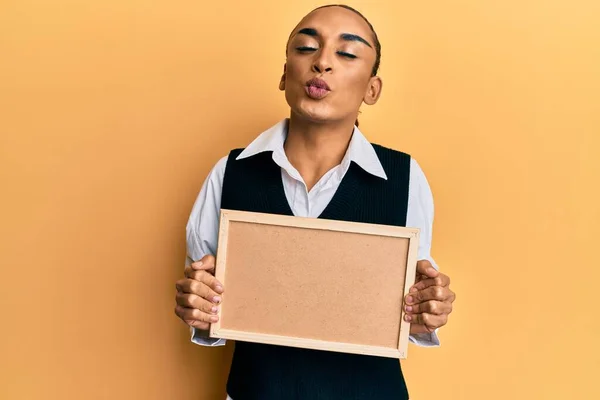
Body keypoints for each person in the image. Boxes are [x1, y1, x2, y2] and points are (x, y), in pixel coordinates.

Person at [175, 4, 456, 399]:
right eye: (306, 47)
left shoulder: (404, 178)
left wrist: (428, 311)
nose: (322, 62)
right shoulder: (231, 172)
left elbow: (411, 311)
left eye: (347, 53)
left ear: (372, 89)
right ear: (284, 72)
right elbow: (206, 312)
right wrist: (198, 306)